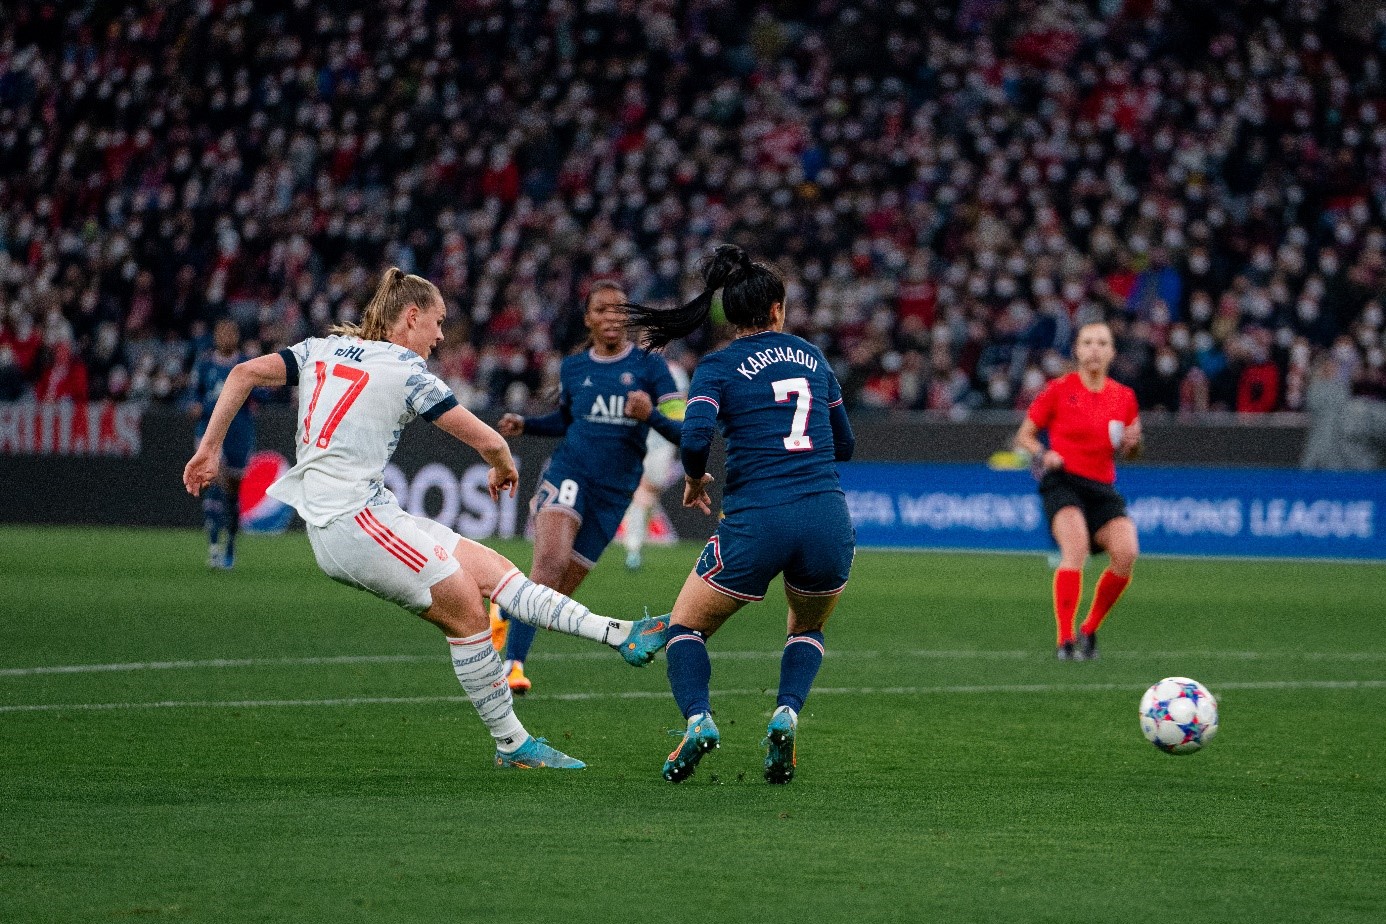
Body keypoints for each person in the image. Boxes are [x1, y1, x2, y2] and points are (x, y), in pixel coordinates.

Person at [183, 268, 671, 770]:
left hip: (370, 512)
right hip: (351, 523)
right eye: (437, 323)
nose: (440, 336)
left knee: (494, 572)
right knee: (467, 611)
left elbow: (241, 374)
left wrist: (207, 450)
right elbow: (489, 441)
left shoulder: (318, 349)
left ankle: (621, 634)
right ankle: (512, 744)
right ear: (410, 317)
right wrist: (503, 466)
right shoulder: (405, 370)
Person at [624, 245, 856, 785]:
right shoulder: (814, 358)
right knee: (807, 626)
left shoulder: (719, 366)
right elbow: (843, 445)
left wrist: (693, 477)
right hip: (826, 518)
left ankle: (700, 720)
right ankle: (786, 712)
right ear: (777, 308)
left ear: (730, 314)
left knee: (685, 627)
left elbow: (699, 437)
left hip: (757, 522)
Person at [491, 281, 685, 694]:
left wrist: (650, 414)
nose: (612, 317)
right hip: (569, 473)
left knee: (557, 596)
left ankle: (505, 611)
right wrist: (528, 424)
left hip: (615, 491)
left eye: (619, 310)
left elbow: (682, 429)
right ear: (588, 319)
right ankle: (512, 667)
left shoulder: (652, 368)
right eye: (602, 310)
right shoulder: (574, 368)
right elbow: (566, 419)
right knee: (549, 565)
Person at [1014, 321, 1142, 662]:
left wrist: (1134, 444)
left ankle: (1089, 629)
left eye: (1102, 342)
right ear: (1078, 350)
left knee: (1127, 552)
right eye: (1088, 342)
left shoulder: (1124, 397)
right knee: (1076, 548)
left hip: (1102, 487)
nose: (1095, 349)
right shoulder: (1058, 390)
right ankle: (1065, 640)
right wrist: (1043, 453)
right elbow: (1024, 436)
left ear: (1112, 352)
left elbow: (1131, 449)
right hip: (1063, 480)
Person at [185, 319, 255, 568]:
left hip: (239, 431)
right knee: (213, 482)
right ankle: (214, 547)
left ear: (236, 336)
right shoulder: (204, 364)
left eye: (230, 332)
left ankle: (230, 547)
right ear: (215, 336)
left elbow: (261, 394)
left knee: (233, 491)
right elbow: (192, 396)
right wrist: (195, 405)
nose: (226, 337)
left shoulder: (246, 364)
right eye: (221, 332)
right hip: (209, 433)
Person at [620, 356, 692, 570]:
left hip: (663, 442)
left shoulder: (676, 372)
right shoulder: (634, 369)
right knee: (642, 492)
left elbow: (684, 402)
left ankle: (636, 542)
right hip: (640, 439)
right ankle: (633, 548)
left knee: (650, 491)